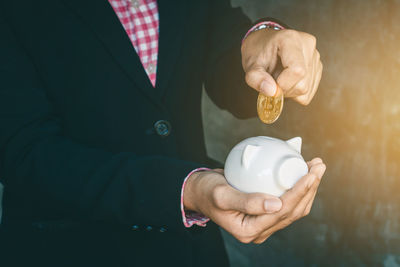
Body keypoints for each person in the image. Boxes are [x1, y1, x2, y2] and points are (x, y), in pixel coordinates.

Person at [0, 0, 326, 266]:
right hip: (69, 250)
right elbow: (24, 153)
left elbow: (222, 46)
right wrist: (184, 191)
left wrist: (266, 42)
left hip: (192, 252)